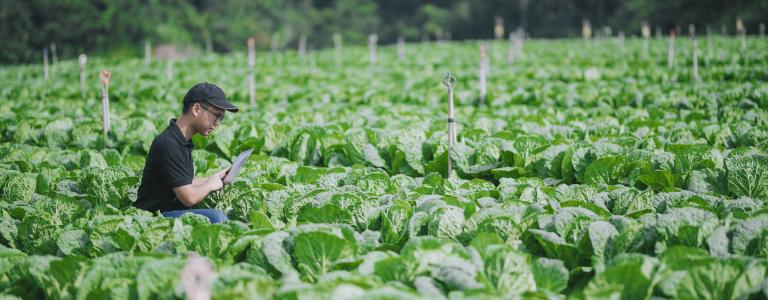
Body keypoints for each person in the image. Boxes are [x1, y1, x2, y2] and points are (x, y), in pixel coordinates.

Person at [134, 82, 238, 223]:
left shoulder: (180, 139)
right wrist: (209, 185)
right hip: (151, 218)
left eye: (221, 118)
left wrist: (215, 178)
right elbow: (188, 197)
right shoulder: (168, 144)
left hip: (168, 212)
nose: (217, 123)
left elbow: (183, 184)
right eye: (217, 115)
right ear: (196, 109)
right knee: (217, 217)